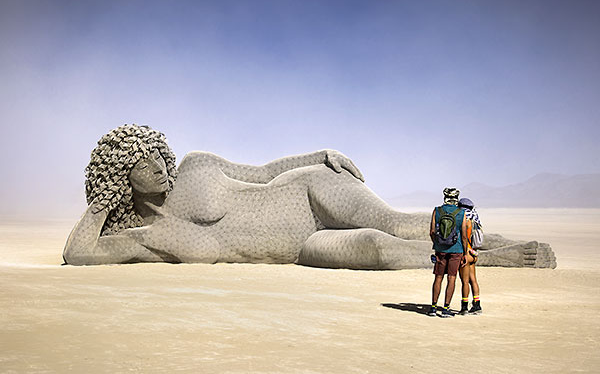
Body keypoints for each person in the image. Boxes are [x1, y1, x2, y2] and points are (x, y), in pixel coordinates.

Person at [63, 124, 557, 270]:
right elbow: (78, 253)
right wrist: (102, 199)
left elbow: (260, 171)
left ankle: (493, 239)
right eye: (140, 161)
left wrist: (319, 155)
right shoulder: (148, 239)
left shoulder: (196, 167)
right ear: (120, 177)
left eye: (155, 151)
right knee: (378, 251)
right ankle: (496, 260)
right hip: (298, 252)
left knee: (398, 225)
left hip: (305, 195)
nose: (156, 162)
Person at [428, 188, 468, 318]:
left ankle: (433, 308)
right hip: (456, 250)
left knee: (438, 277)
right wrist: (465, 252)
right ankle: (446, 309)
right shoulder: (461, 213)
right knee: (451, 278)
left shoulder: (437, 211)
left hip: (441, 250)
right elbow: (463, 236)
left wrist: (437, 244)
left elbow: (432, 231)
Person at [458, 197, 482, 315]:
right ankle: (477, 305)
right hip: (473, 253)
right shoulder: (475, 221)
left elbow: (463, 238)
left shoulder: (465, 221)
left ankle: (464, 307)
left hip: (466, 253)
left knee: (465, 281)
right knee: (473, 280)